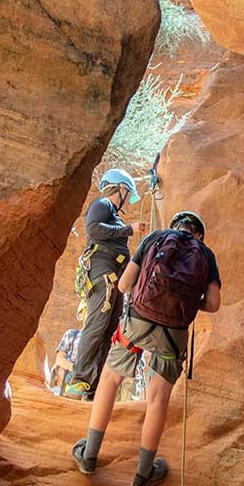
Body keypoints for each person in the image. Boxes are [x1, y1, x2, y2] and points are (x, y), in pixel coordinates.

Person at [71, 211, 221, 486]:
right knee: (157, 400)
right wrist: (187, 304)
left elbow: (124, 284)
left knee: (110, 379)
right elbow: (213, 303)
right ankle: (143, 474)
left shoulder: (155, 238)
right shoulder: (206, 254)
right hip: (174, 333)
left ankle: (89, 455)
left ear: (174, 226)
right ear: (198, 234)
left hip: (136, 322)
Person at [64, 169, 146, 400]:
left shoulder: (114, 215)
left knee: (109, 329)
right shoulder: (103, 205)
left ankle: (93, 386)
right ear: (120, 188)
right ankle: (79, 381)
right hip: (103, 275)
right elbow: (92, 228)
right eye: (127, 193)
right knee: (96, 325)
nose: (128, 199)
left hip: (115, 277)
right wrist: (128, 229)